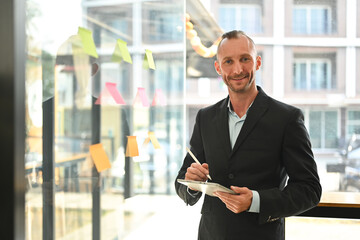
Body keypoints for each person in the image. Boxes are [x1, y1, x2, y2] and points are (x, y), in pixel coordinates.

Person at [175, 30, 322, 240]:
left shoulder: (287, 118)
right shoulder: (205, 118)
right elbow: (182, 180)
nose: (237, 69)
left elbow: (309, 190)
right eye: (228, 61)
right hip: (211, 234)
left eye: (245, 59)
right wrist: (191, 184)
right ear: (218, 67)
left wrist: (256, 201)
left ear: (257, 62)